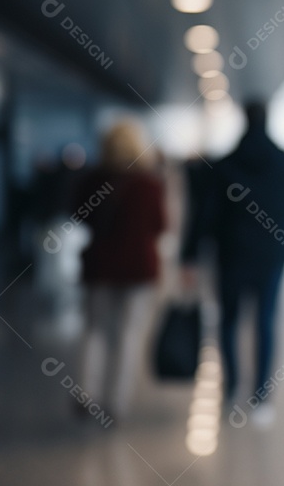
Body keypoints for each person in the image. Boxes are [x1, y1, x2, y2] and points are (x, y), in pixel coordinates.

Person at [181, 101, 284, 423]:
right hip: (271, 255)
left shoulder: (226, 166)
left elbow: (205, 213)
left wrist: (191, 253)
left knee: (228, 320)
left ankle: (231, 389)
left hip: (231, 254)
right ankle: (261, 395)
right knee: (266, 321)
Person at [75, 120, 167, 422]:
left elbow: (79, 216)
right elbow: (160, 225)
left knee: (96, 330)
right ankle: (116, 402)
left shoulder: (94, 180)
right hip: (138, 267)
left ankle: (88, 394)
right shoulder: (149, 184)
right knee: (130, 333)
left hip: (101, 265)